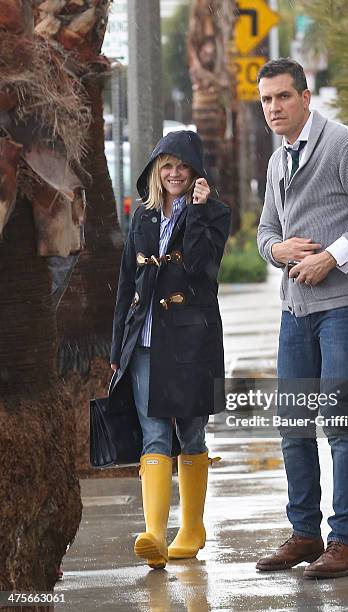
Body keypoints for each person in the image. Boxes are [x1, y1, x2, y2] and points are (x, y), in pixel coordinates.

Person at [256, 59, 348, 578]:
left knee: (338, 422)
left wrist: (331, 256)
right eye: (267, 99)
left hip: (344, 307)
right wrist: (278, 250)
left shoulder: (346, 145)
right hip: (294, 311)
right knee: (293, 424)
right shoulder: (277, 162)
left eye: (282, 97)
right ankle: (304, 534)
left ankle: (345, 543)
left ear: (305, 97)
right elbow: (265, 231)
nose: (274, 108)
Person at [109, 130, 231, 570]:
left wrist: (197, 212)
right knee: (154, 435)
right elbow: (127, 281)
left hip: (191, 342)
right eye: (167, 165)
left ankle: (192, 528)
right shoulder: (143, 216)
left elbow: (201, 267)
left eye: (183, 165)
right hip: (144, 343)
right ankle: (155, 535)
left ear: (196, 171)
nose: (175, 173)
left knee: (192, 435)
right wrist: (116, 347)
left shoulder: (215, 213)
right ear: (156, 170)